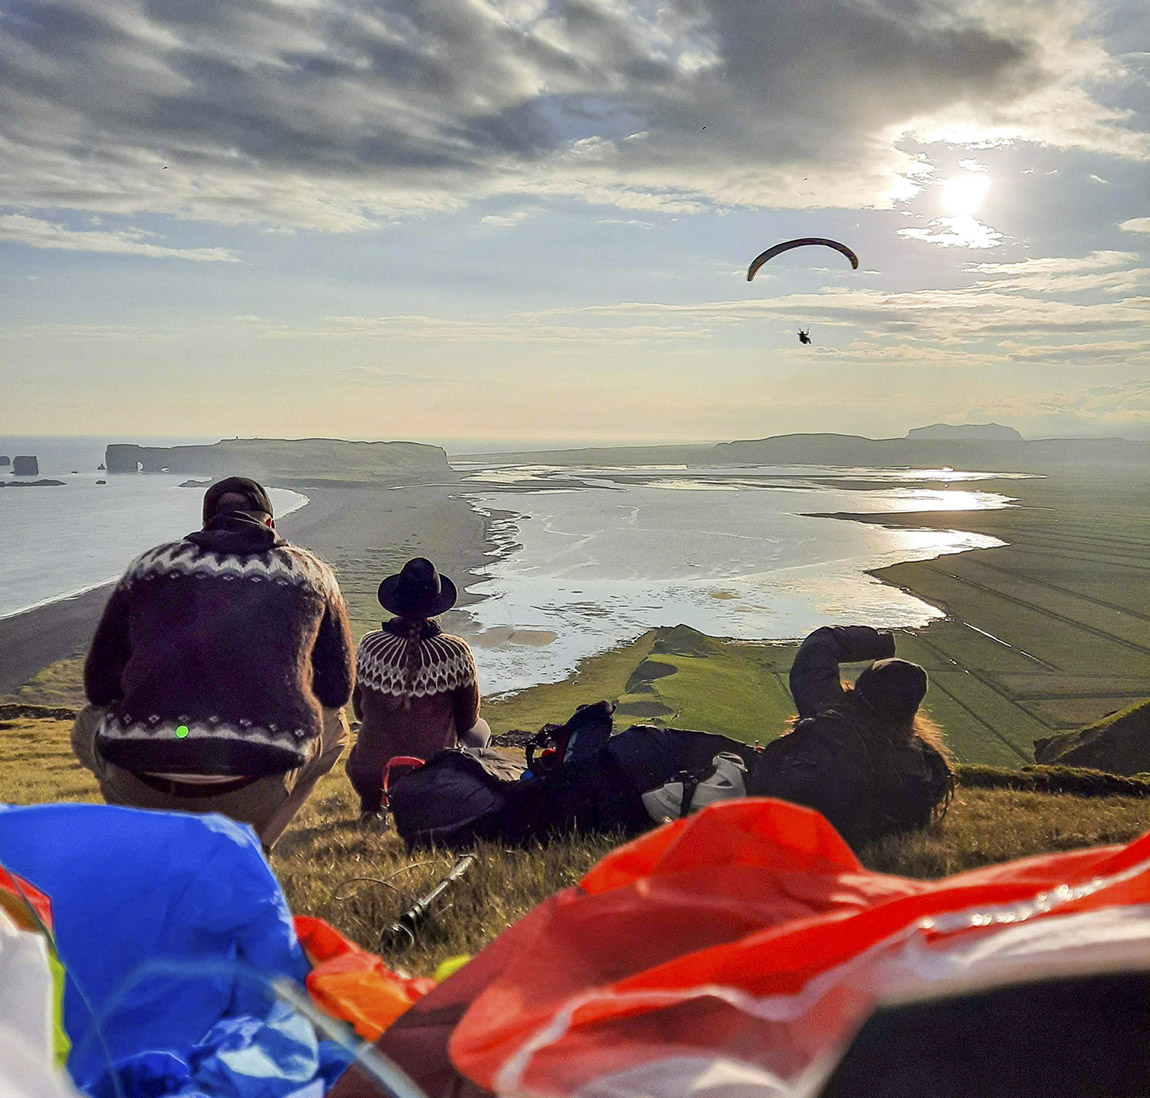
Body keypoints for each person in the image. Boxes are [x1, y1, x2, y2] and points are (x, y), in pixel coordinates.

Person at [72, 477, 354, 851]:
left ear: (206, 524)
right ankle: (258, 848)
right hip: (253, 787)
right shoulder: (314, 574)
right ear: (270, 523)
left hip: (139, 779)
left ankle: (145, 832)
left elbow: (99, 686)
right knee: (336, 725)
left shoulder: (149, 566)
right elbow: (337, 688)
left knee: (86, 724)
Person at [747, 625, 952, 850]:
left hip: (791, 837)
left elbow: (819, 647)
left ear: (861, 688)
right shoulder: (927, 767)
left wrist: (881, 643)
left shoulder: (831, 714)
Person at [346, 557, 490, 820]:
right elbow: (467, 720)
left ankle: (372, 806)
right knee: (481, 732)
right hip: (428, 776)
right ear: (436, 606)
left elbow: (360, 712)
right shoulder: (455, 652)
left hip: (368, 773)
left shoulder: (369, 646)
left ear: (396, 600)